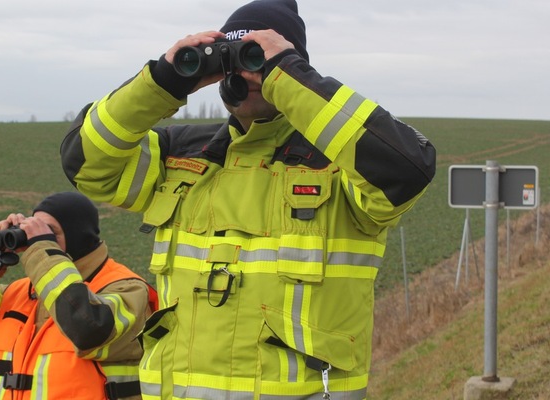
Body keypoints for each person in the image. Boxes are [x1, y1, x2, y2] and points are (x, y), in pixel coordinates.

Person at [60, 0, 437, 398]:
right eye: (232, 58)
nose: (243, 70)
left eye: (255, 57)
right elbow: (85, 161)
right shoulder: (178, 156)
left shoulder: (340, 164)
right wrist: (160, 82)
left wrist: (288, 74)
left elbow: (407, 170)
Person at [0, 191, 157, 400]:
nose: (35, 240)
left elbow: (88, 329)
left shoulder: (127, 289)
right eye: (33, 230)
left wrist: (43, 253)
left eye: (48, 232)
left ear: (77, 238)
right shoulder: (18, 294)